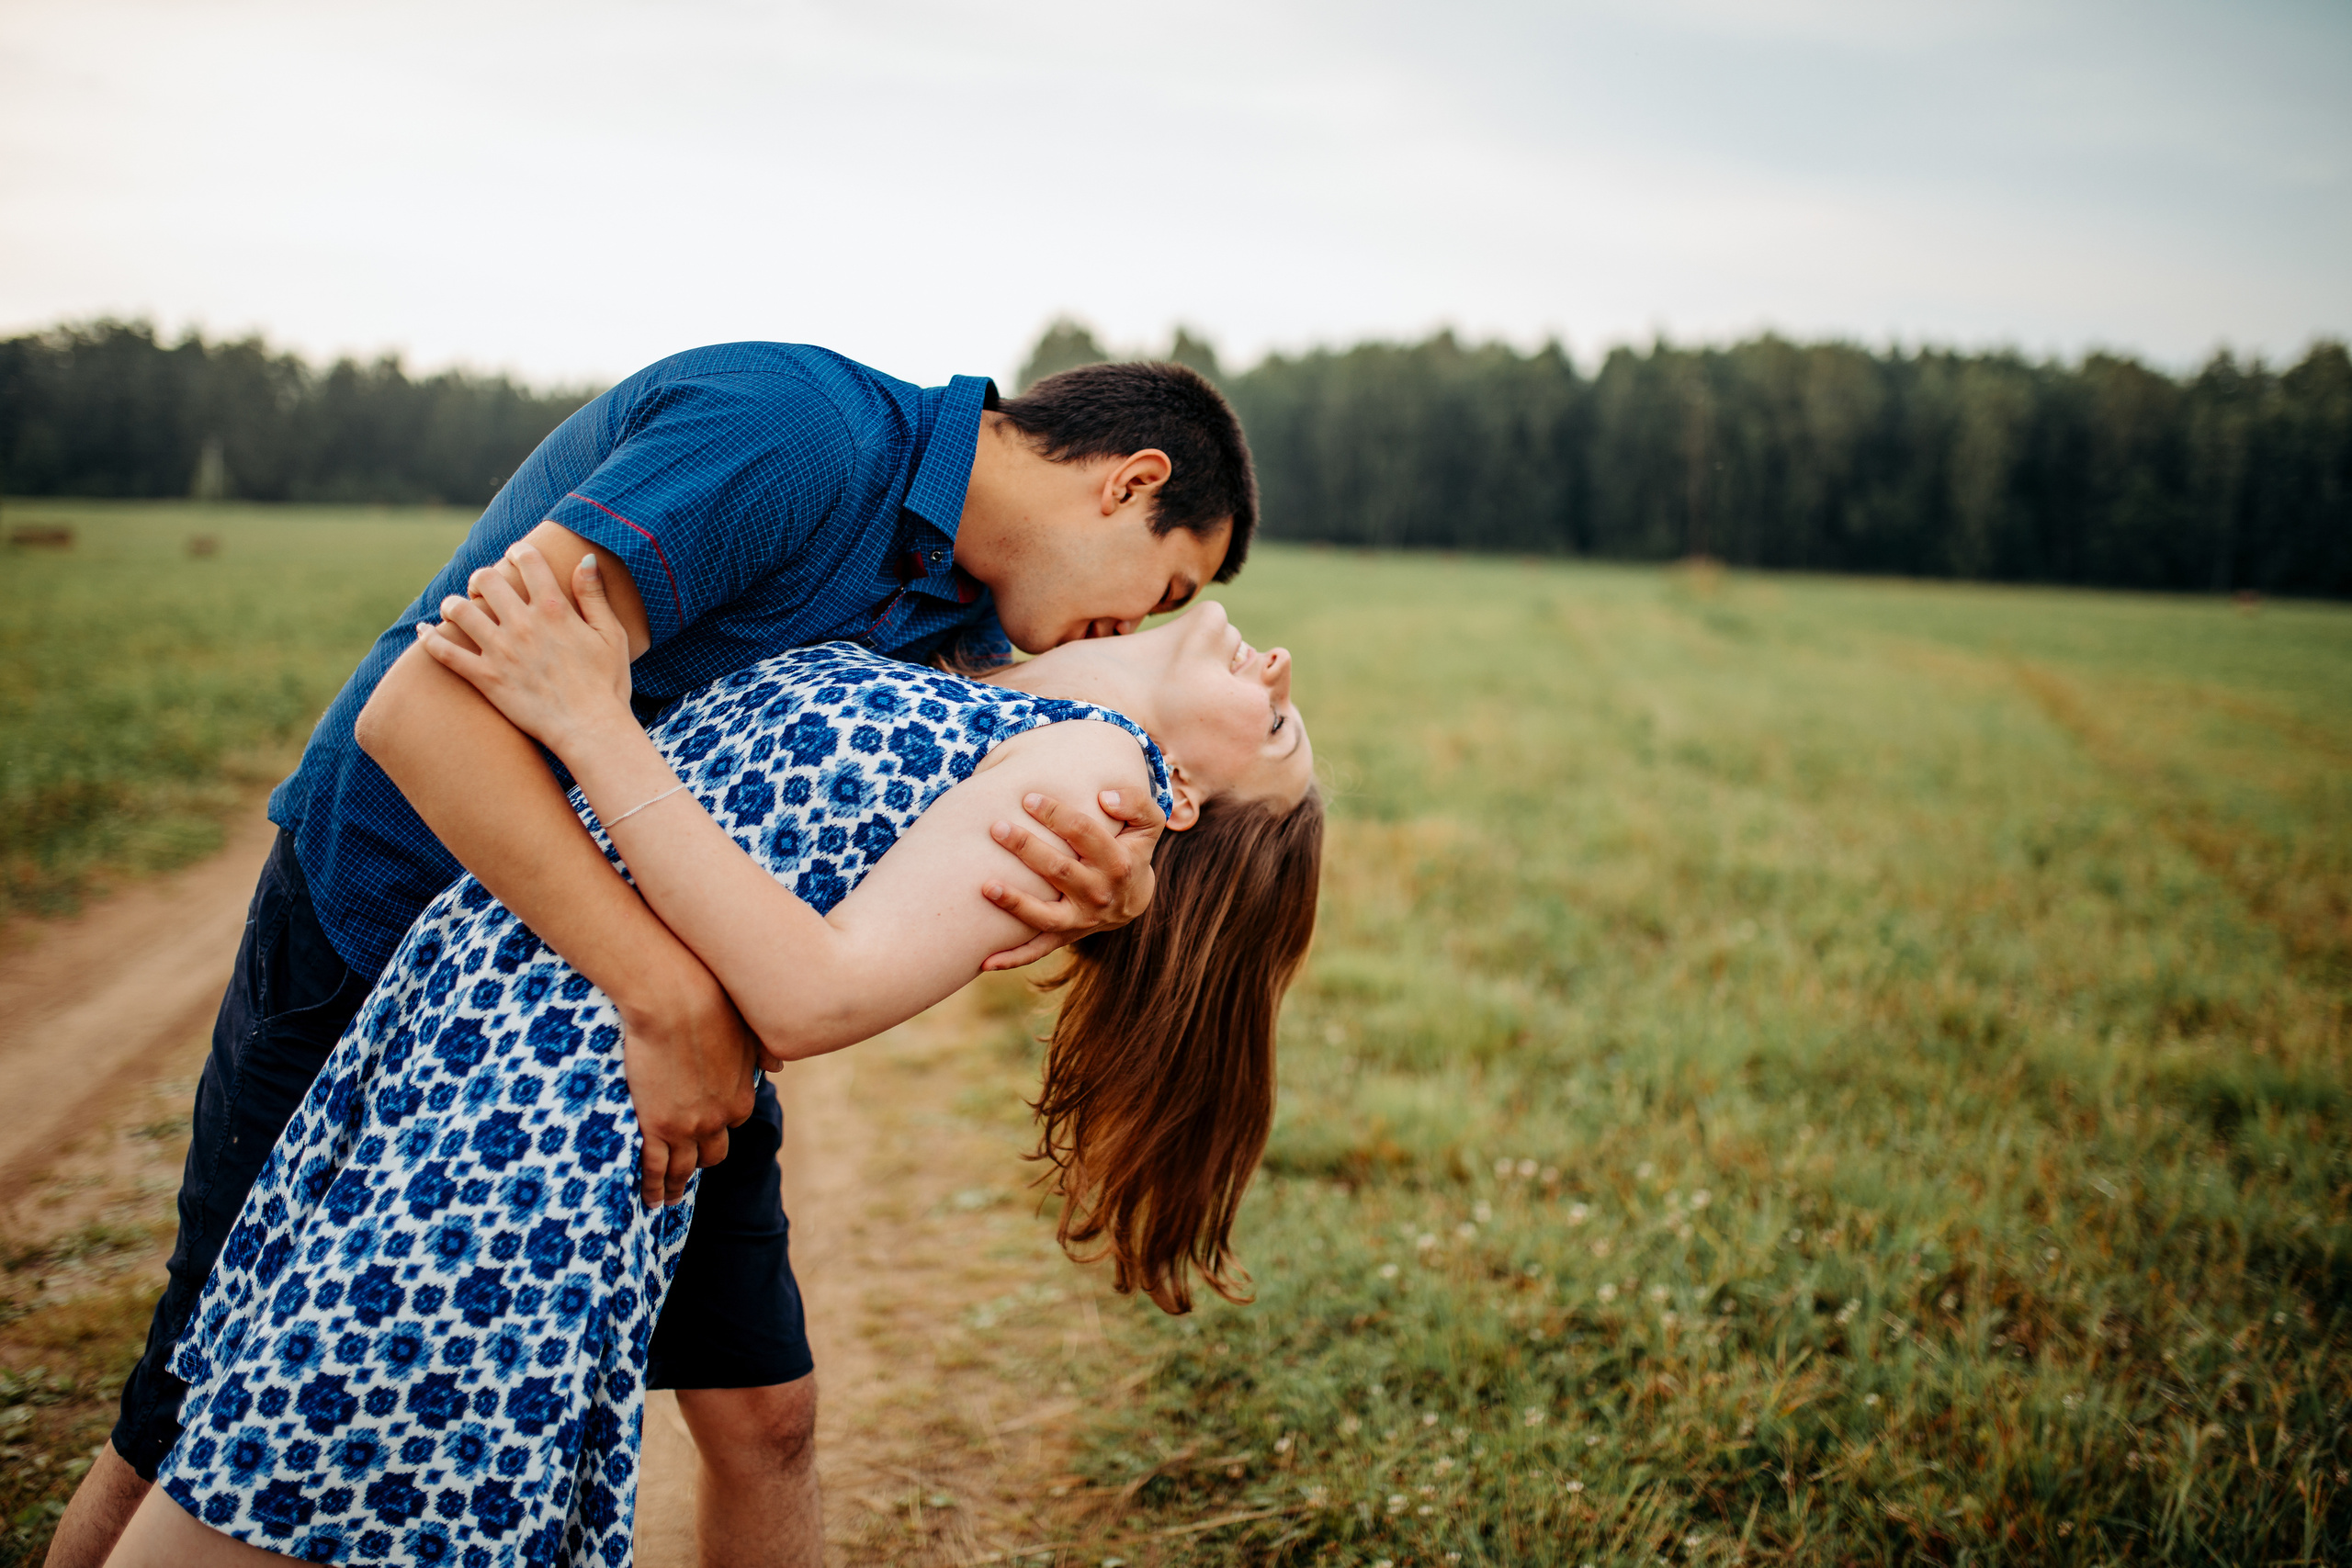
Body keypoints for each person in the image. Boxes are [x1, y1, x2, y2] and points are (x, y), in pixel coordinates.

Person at [49, 348, 1261, 1568]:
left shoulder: (967, 600)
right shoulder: (792, 437)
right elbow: (421, 714)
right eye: (1168, 584)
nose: (1140, 623)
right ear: (1130, 482)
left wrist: (1120, 884)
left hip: (625, 1009)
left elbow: (1030, 759)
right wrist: (666, 994)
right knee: (191, 1403)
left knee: (766, 1414)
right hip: (396, 937)